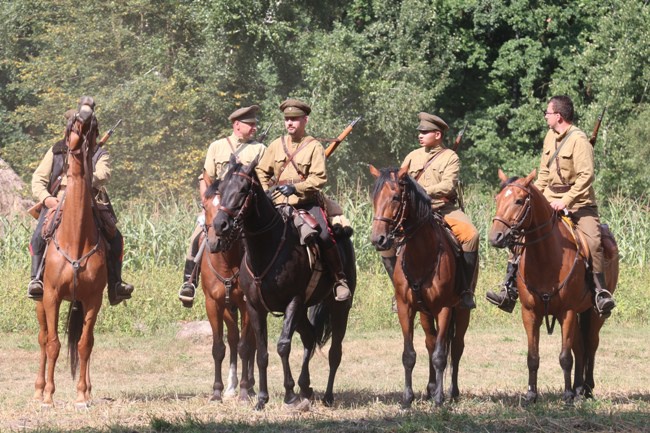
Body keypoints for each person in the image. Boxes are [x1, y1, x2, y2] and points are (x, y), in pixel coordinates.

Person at [486, 95, 616, 317]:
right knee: (520, 236)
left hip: (579, 204)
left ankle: (599, 292)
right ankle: (509, 289)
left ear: (558, 115)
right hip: (550, 201)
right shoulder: (549, 137)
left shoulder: (579, 140)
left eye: (547, 113)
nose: (545, 116)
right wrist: (542, 201)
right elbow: (544, 175)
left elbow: (586, 177)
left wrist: (565, 201)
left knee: (593, 242)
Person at [28, 97, 134, 306]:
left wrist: (82, 177)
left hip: (89, 202)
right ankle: (36, 279)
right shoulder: (56, 150)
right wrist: (47, 198)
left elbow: (104, 174)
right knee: (38, 237)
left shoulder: (99, 153)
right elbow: (38, 179)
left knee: (116, 238)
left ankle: (115, 283)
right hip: (57, 202)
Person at [255, 98, 351, 302]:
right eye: (287, 119)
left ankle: (338, 280)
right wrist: (265, 192)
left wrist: (296, 187)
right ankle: (253, 284)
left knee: (324, 235)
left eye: (295, 119)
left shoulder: (314, 146)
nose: (290, 123)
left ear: (305, 121)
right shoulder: (275, 145)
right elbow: (261, 171)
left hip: (306, 203)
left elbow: (319, 178)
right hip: (277, 203)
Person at [386, 112, 479, 310]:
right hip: (414, 213)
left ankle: (465, 290)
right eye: (420, 132)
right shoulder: (412, 156)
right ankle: (398, 291)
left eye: (425, 132)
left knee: (471, 235)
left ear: (437, 135)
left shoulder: (450, 157)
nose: (420, 135)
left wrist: (422, 191)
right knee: (385, 241)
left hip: (442, 208)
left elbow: (448, 186)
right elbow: (401, 181)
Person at [178, 105, 266, 307]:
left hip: (244, 209)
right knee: (197, 238)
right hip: (219, 207)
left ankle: (259, 284)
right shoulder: (217, 146)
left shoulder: (260, 149)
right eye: (250, 124)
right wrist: (207, 205)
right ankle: (189, 282)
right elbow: (206, 178)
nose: (254, 127)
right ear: (237, 125)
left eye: (255, 124)